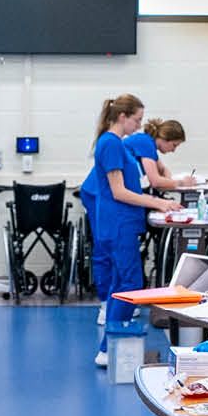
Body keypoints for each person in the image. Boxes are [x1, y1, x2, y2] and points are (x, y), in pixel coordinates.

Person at [79, 93, 181, 366]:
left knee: (120, 285)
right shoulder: (110, 144)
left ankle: (109, 347)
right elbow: (119, 191)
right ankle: (110, 346)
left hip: (120, 222)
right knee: (129, 285)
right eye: (136, 120)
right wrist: (158, 202)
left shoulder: (117, 143)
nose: (139, 126)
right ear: (122, 117)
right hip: (117, 223)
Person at [131, 117, 200, 191]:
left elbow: (163, 169)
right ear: (164, 138)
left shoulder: (148, 142)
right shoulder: (145, 143)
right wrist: (182, 182)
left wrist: (169, 181)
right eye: (174, 145)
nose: (173, 150)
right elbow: (155, 182)